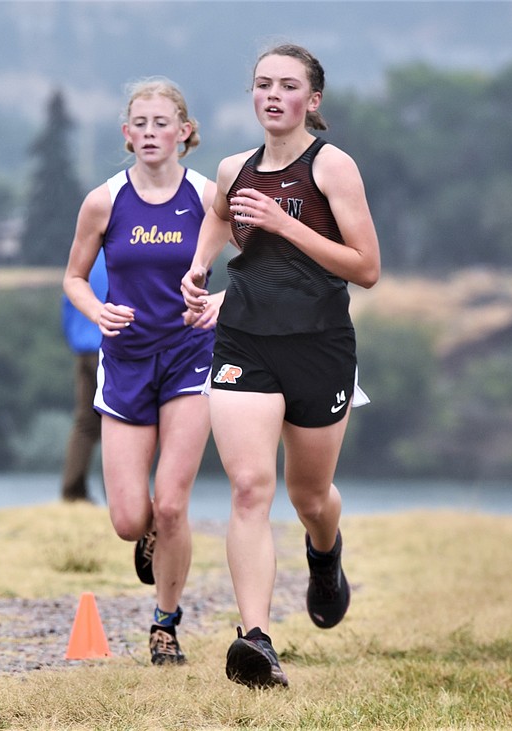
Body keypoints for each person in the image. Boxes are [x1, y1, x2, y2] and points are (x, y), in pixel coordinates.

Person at [181, 43, 381, 689]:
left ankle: (325, 554)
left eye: (287, 85)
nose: (272, 95)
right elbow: (218, 215)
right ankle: (256, 640)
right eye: (262, 84)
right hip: (245, 341)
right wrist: (199, 265)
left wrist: (282, 224)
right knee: (248, 488)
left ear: (311, 101)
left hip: (320, 345)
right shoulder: (234, 167)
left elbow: (367, 268)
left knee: (309, 495)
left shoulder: (333, 167)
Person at [62, 77, 221, 666]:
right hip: (126, 361)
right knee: (131, 519)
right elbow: (74, 277)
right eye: (141, 124)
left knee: (173, 503)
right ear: (127, 135)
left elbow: (258, 263)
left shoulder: (209, 197)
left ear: (184, 132)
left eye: (163, 124)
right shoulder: (104, 200)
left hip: (189, 357)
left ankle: (165, 623)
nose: (152, 134)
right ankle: (153, 534)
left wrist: (219, 302)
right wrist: (95, 309)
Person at [59, 250, 108, 503]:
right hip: (112, 349)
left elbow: (67, 304)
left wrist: (76, 339)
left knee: (85, 423)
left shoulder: (87, 258)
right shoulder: (124, 253)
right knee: (119, 420)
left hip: (84, 349)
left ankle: (72, 491)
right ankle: (119, 496)